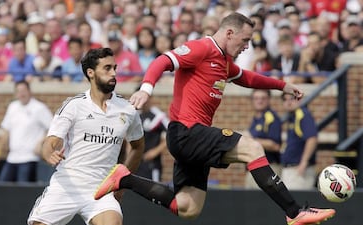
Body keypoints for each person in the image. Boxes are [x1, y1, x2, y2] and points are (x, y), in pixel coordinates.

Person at [94, 13, 335, 225]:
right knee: (252, 148)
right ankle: (294, 212)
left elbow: (248, 78)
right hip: (186, 131)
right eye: (245, 40)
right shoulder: (201, 48)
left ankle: (124, 178)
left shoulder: (224, 62)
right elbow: (163, 61)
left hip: (192, 139)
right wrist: (146, 89)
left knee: (188, 207)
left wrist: (283, 86)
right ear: (229, 33)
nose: (246, 47)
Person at [27, 48, 145, 225]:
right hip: (67, 184)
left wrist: (122, 180)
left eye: (115, 68)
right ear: (91, 73)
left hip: (101, 189)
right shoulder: (73, 106)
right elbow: (50, 142)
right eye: (107, 68)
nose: (113, 73)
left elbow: (138, 146)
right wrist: (49, 154)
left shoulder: (127, 110)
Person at [0, 81, 52, 182]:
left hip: (30, 158)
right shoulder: (12, 107)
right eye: (18, 91)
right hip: (12, 158)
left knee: (22, 192)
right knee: (1, 189)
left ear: (29, 91)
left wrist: (41, 142)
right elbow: (5, 132)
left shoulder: (39, 108)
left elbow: (53, 128)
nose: (21, 94)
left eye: (23, 91)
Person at [244, 89, 282, 189]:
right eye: (256, 98)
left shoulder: (271, 117)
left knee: (264, 202)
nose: (259, 101)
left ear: (269, 100)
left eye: (263, 98)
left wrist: (251, 140)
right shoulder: (255, 118)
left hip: (268, 168)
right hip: (253, 167)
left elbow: (275, 145)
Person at [281, 93, 318, 190]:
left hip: (298, 169)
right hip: (290, 169)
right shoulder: (292, 117)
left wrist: (304, 162)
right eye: (285, 99)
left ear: (299, 100)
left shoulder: (303, 114)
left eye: (292, 99)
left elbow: (312, 138)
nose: (288, 102)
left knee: (297, 202)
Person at [134, 86, 169, 182]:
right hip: (137, 163)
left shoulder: (158, 116)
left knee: (153, 192)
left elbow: (172, 134)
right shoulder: (135, 115)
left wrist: (155, 151)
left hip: (152, 164)